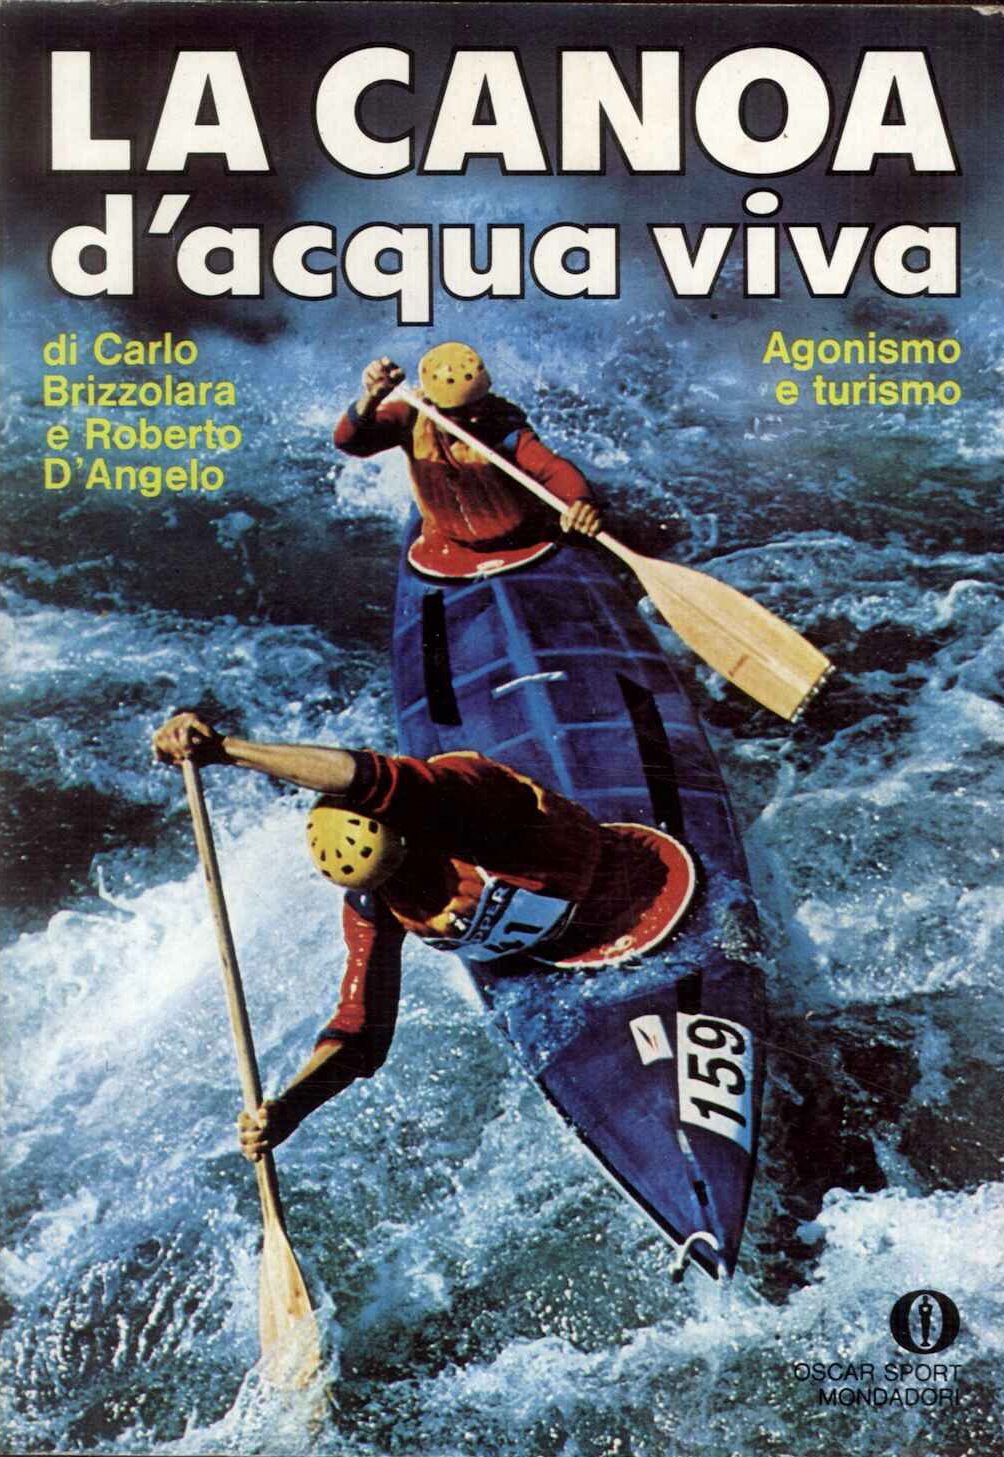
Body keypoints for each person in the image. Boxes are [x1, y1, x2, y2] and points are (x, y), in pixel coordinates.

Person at [153, 710, 695, 1164]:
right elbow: (362, 1033)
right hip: (550, 964)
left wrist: (224, 749)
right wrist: (288, 1109)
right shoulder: (375, 900)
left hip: (639, 890)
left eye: (403, 869)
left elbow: (364, 777)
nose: (406, 888)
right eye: (389, 882)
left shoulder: (459, 796)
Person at [333, 342, 603, 576]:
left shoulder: (503, 424)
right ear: (433, 404)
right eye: (461, 412)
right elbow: (350, 443)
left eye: (478, 404)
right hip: (445, 544)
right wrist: (371, 399)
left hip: (521, 540)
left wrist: (581, 501)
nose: (474, 418)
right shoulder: (411, 416)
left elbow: (552, 469)